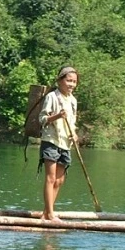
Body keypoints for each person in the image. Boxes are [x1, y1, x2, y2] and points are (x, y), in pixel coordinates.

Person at [38, 66, 79, 222]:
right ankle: (51, 214)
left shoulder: (73, 101)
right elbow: (42, 119)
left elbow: (72, 122)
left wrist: (74, 135)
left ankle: (47, 213)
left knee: (60, 180)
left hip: (65, 143)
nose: (71, 84)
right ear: (60, 80)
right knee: (50, 177)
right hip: (51, 140)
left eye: (74, 82)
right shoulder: (52, 97)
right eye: (69, 80)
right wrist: (57, 116)